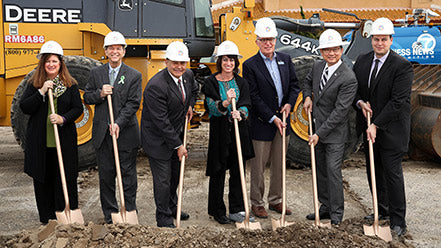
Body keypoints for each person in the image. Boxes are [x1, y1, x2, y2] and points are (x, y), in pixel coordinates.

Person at [353, 17, 413, 236]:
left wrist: (376, 124)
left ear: (390, 40)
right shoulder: (362, 60)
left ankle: (399, 221)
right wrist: (360, 103)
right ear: (372, 40)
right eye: (376, 39)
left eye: (384, 39)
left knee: (392, 174)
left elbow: (398, 102)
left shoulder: (402, 66)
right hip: (369, 129)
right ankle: (382, 210)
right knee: (373, 172)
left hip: (391, 131)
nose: (379, 43)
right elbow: (356, 90)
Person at [243, 17, 300, 218]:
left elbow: (294, 85)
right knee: (258, 166)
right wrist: (271, 117)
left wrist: (289, 104)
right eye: (264, 39)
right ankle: (257, 203)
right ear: (257, 41)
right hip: (262, 123)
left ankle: (276, 200)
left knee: (279, 164)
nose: (268, 43)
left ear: (276, 40)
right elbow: (254, 96)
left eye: (271, 39)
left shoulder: (285, 59)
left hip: (283, 121)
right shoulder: (250, 65)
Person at [20, 41, 83, 224]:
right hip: (41, 143)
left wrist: (63, 119)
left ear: (61, 63)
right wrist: (41, 92)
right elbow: (25, 107)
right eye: (47, 61)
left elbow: (77, 109)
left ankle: (65, 212)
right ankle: (47, 218)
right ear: (42, 64)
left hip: (63, 142)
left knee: (64, 178)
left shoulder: (70, 85)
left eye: (54, 61)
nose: (51, 65)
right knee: (43, 179)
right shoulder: (34, 84)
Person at [83, 31, 142, 224]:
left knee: (127, 175)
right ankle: (110, 214)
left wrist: (118, 123)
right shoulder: (96, 73)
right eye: (111, 48)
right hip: (103, 134)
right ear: (106, 51)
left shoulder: (134, 75)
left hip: (125, 132)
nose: (114, 51)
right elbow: (87, 97)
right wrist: (100, 94)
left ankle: (129, 209)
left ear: (123, 51)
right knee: (106, 176)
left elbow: (134, 104)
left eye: (118, 48)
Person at [303, 29, 358, 225]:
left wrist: (318, 133)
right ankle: (325, 206)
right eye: (327, 50)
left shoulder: (348, 78)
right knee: (320, 170)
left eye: (335, 49)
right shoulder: (318, 67)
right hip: (317, 129)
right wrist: (308, 96)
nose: (331, 53)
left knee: (333, 171)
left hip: (334, 134)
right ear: (321, 52)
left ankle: (336, 214)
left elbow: (340, 112)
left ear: (341, 50)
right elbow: (308, 81)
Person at [141, 41, 198, 228]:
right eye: (175, 63)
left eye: (183, 63)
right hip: (158, 140)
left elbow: (194, 91)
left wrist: (189, 105)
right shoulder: (156, 86)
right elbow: (162, 123)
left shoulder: (188, 75)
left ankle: (173, 206)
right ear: (166, 62)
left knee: (174, 176)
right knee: (163, 181)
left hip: (176, 134)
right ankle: (163, 217)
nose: (179, 67)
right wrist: (178, 146)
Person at [202, 41, 255, 224]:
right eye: (225, 60)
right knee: (218, 171)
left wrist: (240, 113)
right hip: (220, 134)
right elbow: (210, 107)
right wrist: (225, 104)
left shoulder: (241, 82)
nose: (228, 64)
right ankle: (217, 210)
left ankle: (237, 209)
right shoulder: (210, 82)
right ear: (219, 61)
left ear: (235, 63)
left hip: (239, 133)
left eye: (232, 60)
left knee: (238, 170)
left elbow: (247, 104)